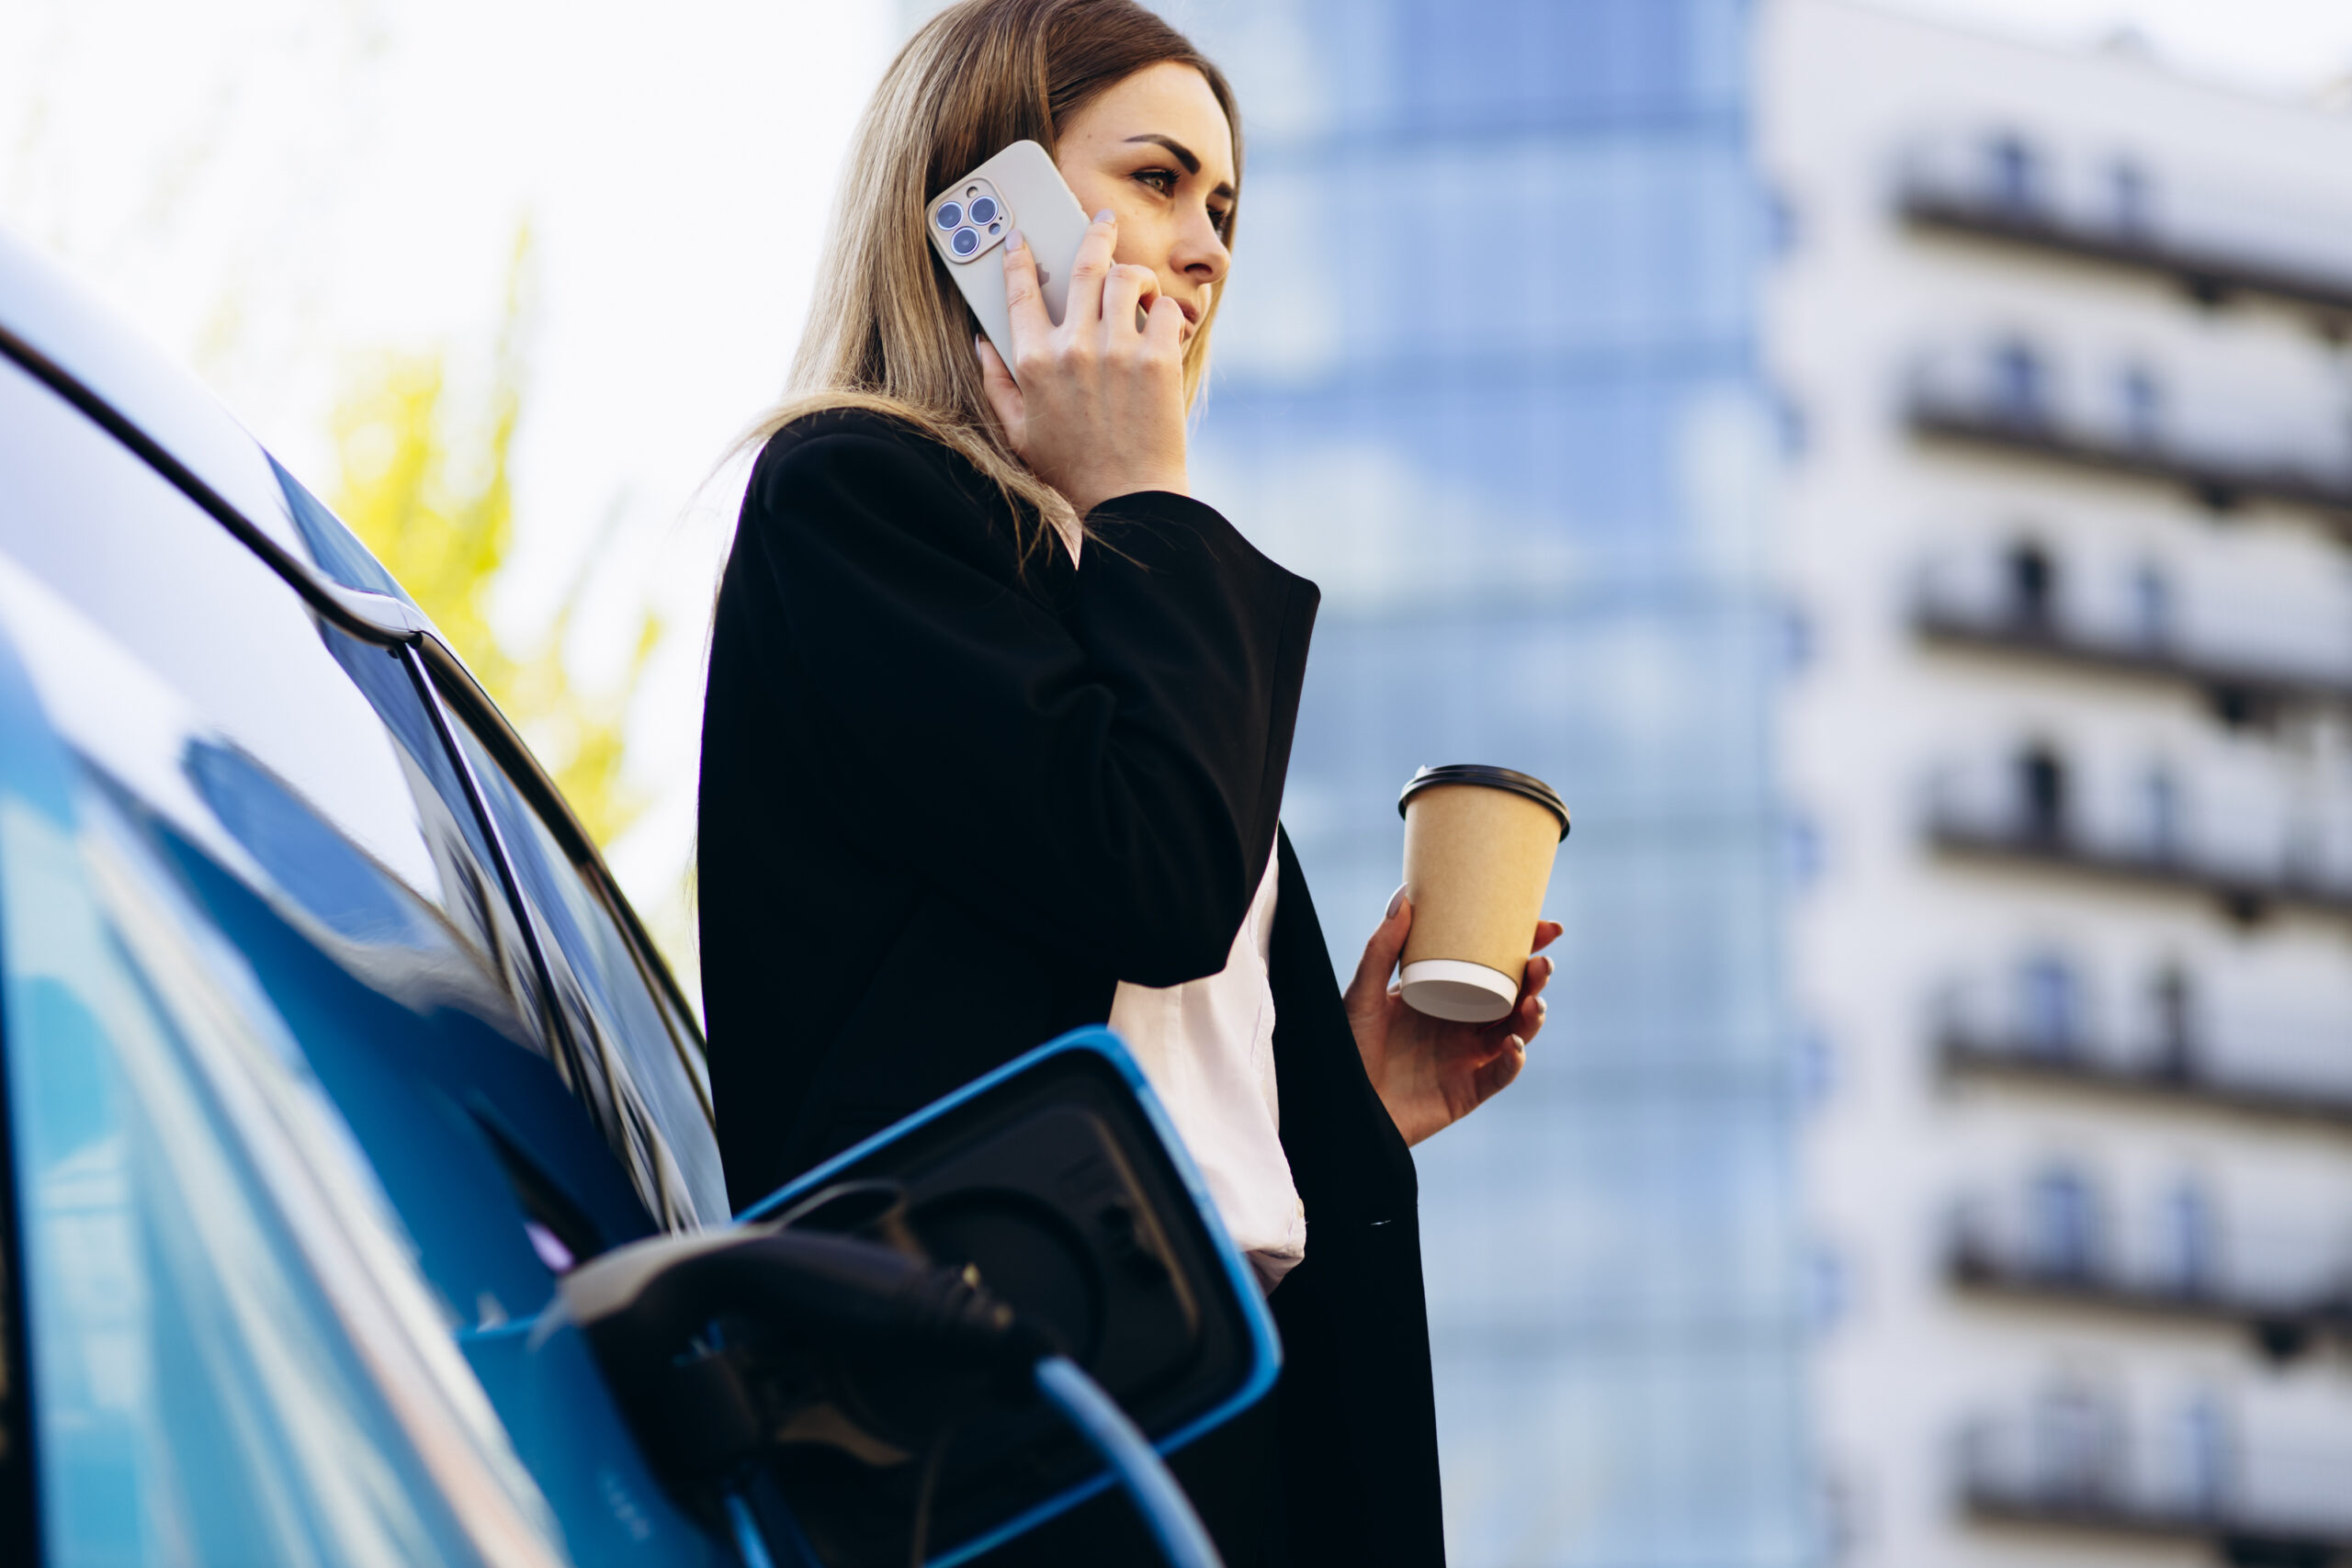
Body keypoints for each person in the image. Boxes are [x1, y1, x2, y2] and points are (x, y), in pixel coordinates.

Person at [696, 1, 1558, 1562]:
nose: (1209, 245)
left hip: (1215, 1416)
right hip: (1012, 1438)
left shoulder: (1128, 610)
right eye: (1159, 179)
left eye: (1225, 209)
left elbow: (1144, 1031)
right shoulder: (857, 503)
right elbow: (1149, 875)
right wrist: (1146, 490)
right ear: (984, 199)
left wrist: (1345, 1109)